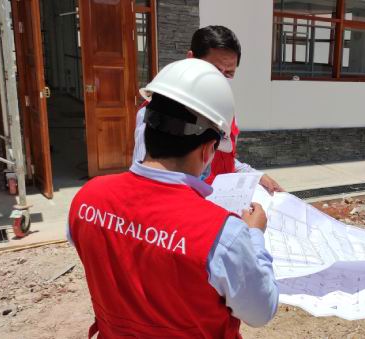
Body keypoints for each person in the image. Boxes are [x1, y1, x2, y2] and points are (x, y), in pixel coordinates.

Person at [68, 59, 279, 338]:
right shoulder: (223, 235)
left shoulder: (87, 198)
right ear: (207, 151)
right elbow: (261, 310)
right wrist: (254, 235)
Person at [133, 25, 283, 193]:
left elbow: (222, 158)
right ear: (191, 59)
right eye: (214, 70)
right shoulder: (157, 114)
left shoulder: (222, 109)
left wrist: (255, 176)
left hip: (219, 201)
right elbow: (146, 178)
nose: (221, 80)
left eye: (229, 74)